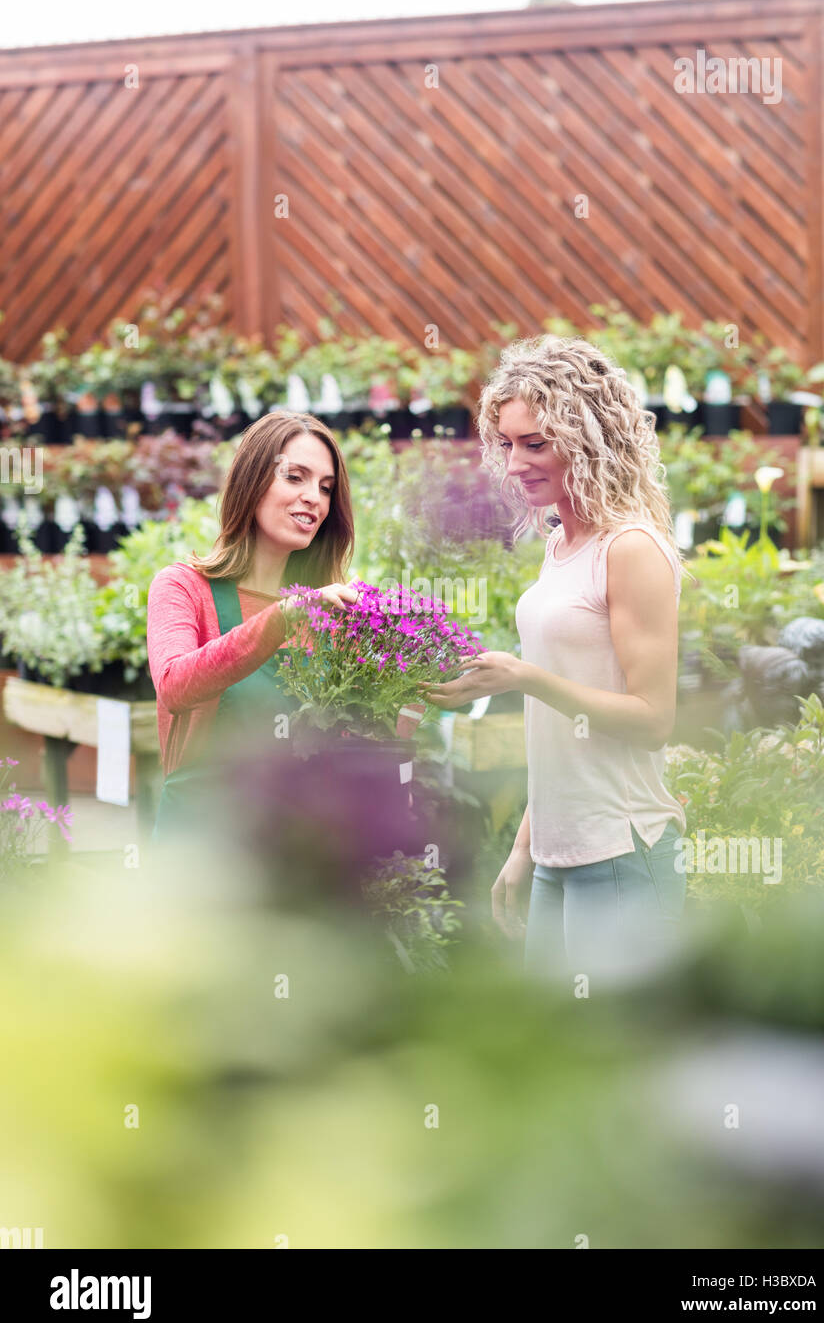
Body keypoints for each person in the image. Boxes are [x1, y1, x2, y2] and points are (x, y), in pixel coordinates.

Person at [422, 335, 687, 985]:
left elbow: (652, 718)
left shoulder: (630, 548)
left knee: (621, 1069)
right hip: (556, 855)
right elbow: (562, 728)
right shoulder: (559, 543)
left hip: (623, 849)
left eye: (536, 443)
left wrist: (525, 677)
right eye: (507, 443)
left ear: (590, 437)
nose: (515, 463)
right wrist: (524, 847)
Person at [146, 410, 357, 842]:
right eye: (294, 477)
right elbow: (174, 685)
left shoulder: (331, 612)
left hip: (296, 848)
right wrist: (282, 617)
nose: (313, 498)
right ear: (252, 481)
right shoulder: (184, 588)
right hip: (201, 849)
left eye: (325, 487)